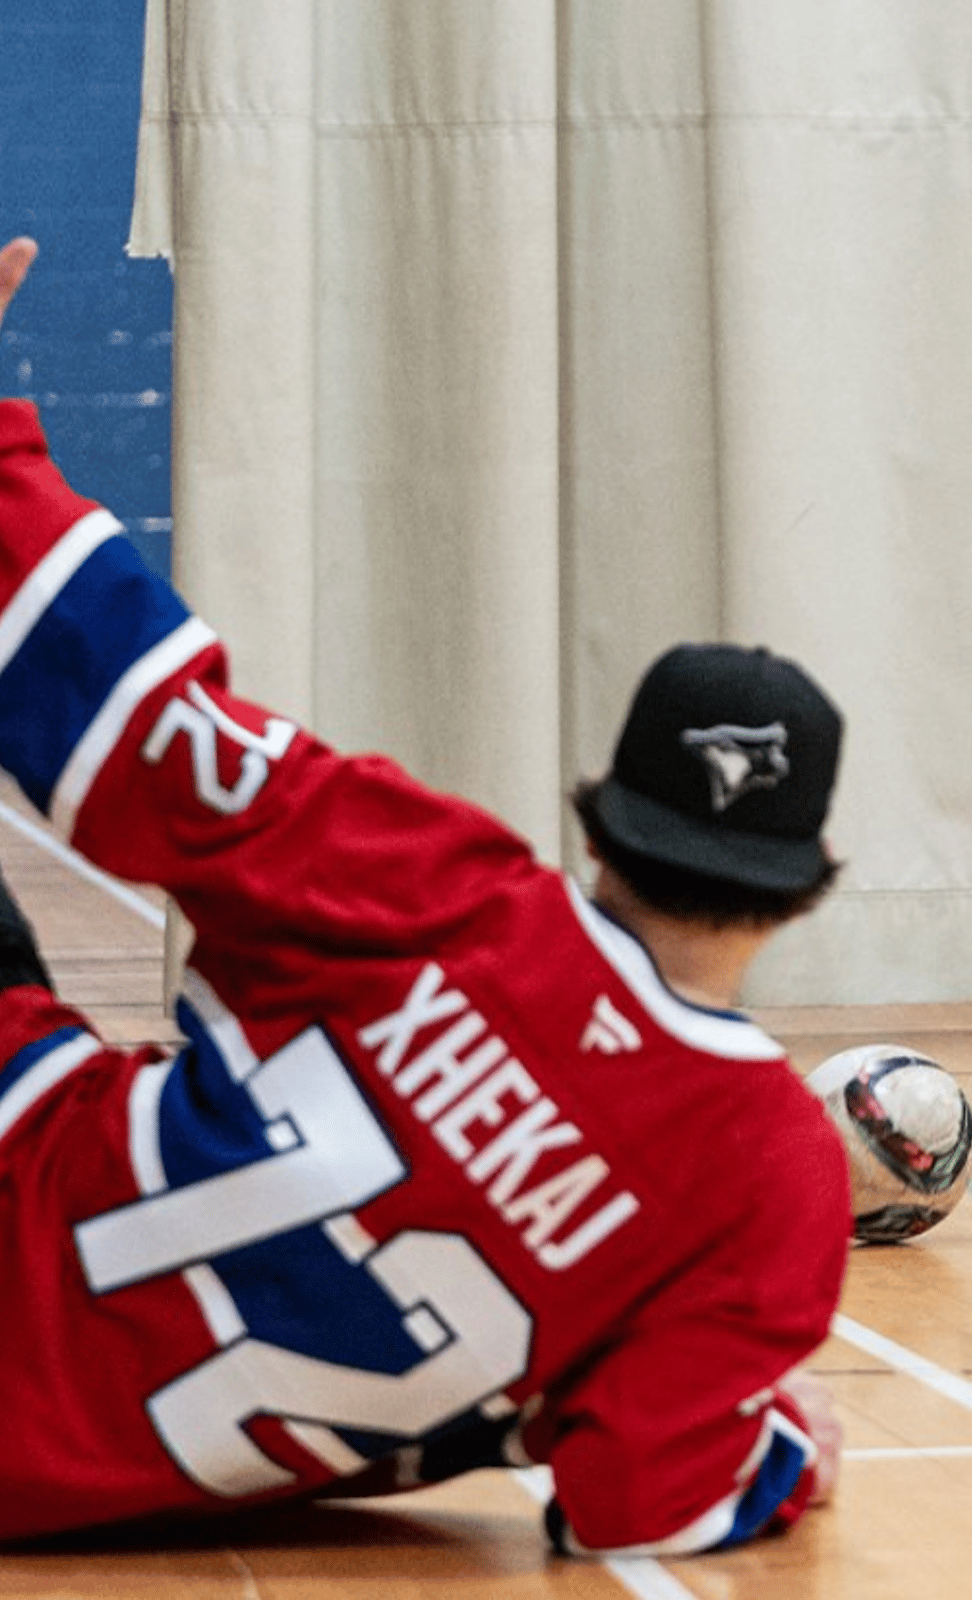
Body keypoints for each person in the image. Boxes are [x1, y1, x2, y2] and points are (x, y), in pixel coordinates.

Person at [0, 234, 852, 1551]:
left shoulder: (441, 885)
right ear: (804, 889)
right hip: (60, 1479)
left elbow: (130, 709)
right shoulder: (772, 1180)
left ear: (601, 819)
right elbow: (638, 1497)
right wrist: (779, 1455)